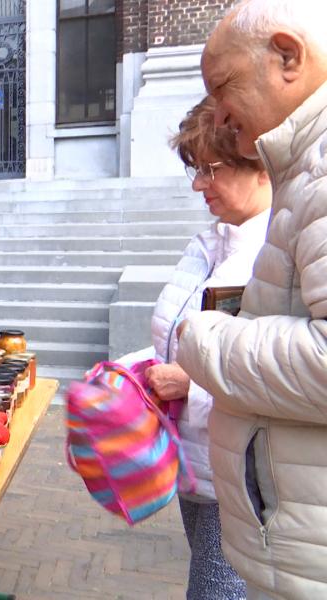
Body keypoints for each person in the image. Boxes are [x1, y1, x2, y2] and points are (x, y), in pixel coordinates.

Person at [174, 0, 327, 596]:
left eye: (223, 87)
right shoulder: (306, 173)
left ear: (287, 56)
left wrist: (205, 338)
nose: (220, 112)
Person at [145, 95, 270, 600]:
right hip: (196, 462)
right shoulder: (210, 244)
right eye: (196, 169)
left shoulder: (278, 257)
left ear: (259, 165)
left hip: (239, 479)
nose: (199, 185)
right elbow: (175, 335)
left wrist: (189, 387)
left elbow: (286, 375)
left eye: (210, 169)